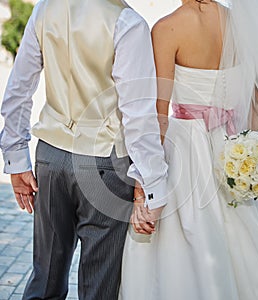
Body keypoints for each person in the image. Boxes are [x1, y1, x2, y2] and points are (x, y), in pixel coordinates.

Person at [119, 0, 258, 299]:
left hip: (186, 155)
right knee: (246, 247)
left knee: (180, 251)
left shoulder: (167, 29)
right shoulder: (242, 24)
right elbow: (257, 106)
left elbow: (158, 118)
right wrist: (245, 150)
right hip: (232, 150)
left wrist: (144, 187)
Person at [0, 0, 168, 299]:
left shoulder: (45, 7)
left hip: (50, 157)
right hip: (104, 163)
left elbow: (18, 89)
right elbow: (138, 114)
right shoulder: (128, 22)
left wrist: (16, 160)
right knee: (98, 285)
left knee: (45, 277)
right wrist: (150, 185)